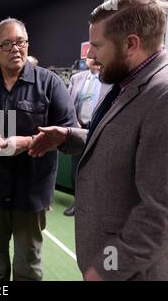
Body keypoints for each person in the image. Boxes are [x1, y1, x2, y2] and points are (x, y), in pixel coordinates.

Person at [29, 0, 168, 280]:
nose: (90, 56)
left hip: (131, 271)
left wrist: (107, 267)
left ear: (131, 44)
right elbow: (126, 140)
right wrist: (68, 136)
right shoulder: (131, 82)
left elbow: (164, 212)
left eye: (97, 46)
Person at [0, 18, 76, 281]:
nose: (15, 49)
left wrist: (25, 143)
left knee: (28, 263)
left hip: (32, 191)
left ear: (27, 44)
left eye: (20, 42)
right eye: (7, 44)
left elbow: (70, 133)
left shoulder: (50, 84)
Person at [63, 57, 111, 216]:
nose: (95, 59)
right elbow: (69, 104)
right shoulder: (77, 78)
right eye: (90, 57)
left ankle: (97, 206)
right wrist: (74, 123)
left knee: (99, 170)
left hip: (100, 131)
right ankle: (78, 203)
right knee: (76, 170)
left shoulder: (111, 79)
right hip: (78, 129)